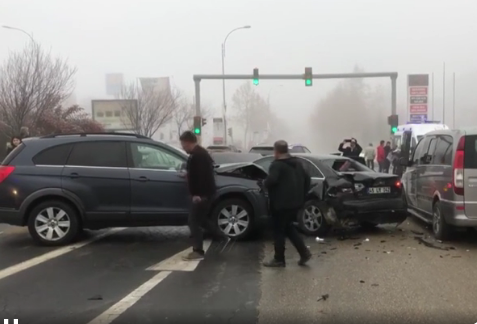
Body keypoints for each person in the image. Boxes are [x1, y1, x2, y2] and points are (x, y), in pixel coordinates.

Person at [179, 131, 230, 261]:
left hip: (202, 195)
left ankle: (198, 251)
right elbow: (199, 174)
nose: (182, 147)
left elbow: (201, 177)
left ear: (188, 142)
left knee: (193, 221)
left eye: (183, 144)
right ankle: (223, 238)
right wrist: (188, 175)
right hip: (206, 193)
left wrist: (197, 195)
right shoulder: (199, 154)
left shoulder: (198, 156)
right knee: (202, 220)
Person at [262, 140, 312, 268]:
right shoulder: (298, 163)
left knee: (278, 230)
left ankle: (279, 259)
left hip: (280, 204)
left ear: (276, 151)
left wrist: (263, 184)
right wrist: (302, 195)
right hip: (296, 203)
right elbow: (308, 180)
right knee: (289, 228)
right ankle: (304, 253)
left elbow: (271, 180)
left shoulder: (277, 165)